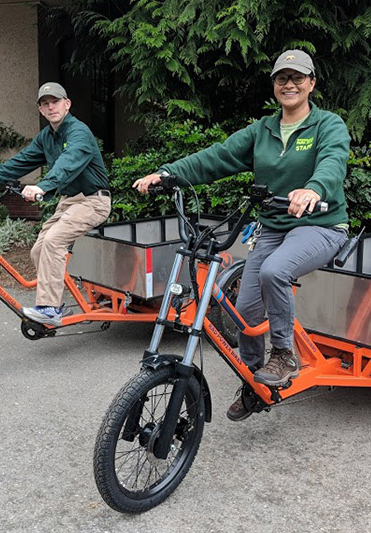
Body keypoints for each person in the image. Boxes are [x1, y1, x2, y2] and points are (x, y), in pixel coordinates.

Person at [133, 50, 350, 421]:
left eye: (298, 78)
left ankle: (283, 355)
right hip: (273, 228)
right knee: (243, 309)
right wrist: (167, 174)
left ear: (311, 83)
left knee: (274, 272)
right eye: (282, 78)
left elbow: (333, 161)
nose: (290, 84)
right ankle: (255, 380)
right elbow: (216, 157)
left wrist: (313, 189)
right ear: (274, 85)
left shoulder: (328, 125)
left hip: (321, 226)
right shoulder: (261, 130)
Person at [0, 82, 111, 326]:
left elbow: (69, 162)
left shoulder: (78, 132)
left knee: (54, 242)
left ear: (67, 104)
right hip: (69, 203)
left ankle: (50, 309)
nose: (51, 106)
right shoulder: (47, 137)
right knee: (38, 250)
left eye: (55, 101)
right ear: (41, 110)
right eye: (45, 103)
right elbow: (20, 161)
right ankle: (57, 300)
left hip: (93, 201)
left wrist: (43, 186)